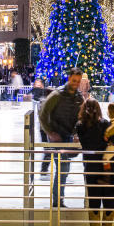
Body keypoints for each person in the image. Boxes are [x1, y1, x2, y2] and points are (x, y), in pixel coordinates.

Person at [76, 98, 114, 226]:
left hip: (90, 168)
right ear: (99, 109)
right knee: (108, 202)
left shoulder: (79, 126)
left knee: (93, 203)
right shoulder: (105, 123)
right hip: (108, 170)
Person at [39, 69, 85, 207]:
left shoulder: (78, 97)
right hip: (57, 137)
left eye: (78, 81)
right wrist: (50, 132)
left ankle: (58, 199)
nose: (76, 83)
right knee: (63, 168)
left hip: (68, 136)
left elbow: (80, 117)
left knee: (64, 169)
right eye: (73, 80)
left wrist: (77, 133)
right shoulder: (57, 95)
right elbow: (43, 113)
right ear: (69, 78)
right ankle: (57, 200)